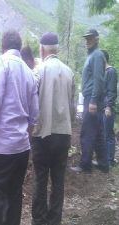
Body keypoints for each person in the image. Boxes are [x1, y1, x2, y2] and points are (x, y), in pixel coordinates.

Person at [0, 30, 39, 225]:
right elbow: (34, 114)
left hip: (1, 147)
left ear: (3, 46)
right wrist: (24, 136)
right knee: (14, 195)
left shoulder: (2, 62)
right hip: (22, 148)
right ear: (19, 47)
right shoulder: (29, 73)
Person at [31, 32, 75, 225]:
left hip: (43, 133)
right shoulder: (69, 72)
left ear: (42, 49)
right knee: (58, 180)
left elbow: (32, 102)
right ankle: (54, 220)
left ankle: (39, 220)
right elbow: (72, 107)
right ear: (57, 49)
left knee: (40, 178)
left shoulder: (39, 71)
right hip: (64, 133)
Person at [71, 29, 109, 173]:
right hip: (93, 98)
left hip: (92, 99)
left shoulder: (97, 55)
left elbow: (98, 79)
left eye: (90, 38)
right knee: (98, 132)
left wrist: (92, 100)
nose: (87, 41)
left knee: (87, 132)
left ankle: (85, 165)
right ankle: (103, 163)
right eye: (86, 39)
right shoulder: (92, 55)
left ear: (97, 39)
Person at [101, 50, 117, 166]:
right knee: (104, 133)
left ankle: (110, 160)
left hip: (108, 108)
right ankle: (105, 159)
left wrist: (108, 107)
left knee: (108, 134)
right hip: (103, 107)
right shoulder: (104, 72)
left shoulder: (111, 71)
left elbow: (112, 91)